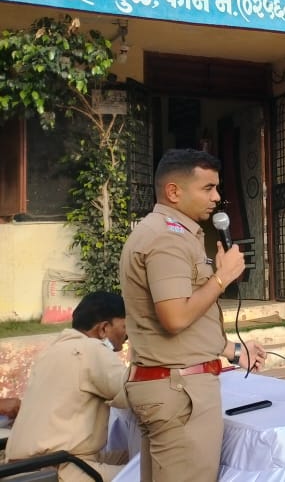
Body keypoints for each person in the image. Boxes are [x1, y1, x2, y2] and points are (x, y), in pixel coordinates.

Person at [119, 149, 266, 482]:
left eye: (217, 188)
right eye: (208, 188)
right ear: (174, 191)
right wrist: (222, 278)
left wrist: (232, 350)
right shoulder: (166, 238)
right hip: (179, 390)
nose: (216, 197)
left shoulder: (170, 232)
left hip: (172, 383)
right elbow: (175, 317)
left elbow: (189, 317)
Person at [5, 292, 131, 482]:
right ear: (104, 328)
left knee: (136, 458)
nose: (127, 336)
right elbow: (135, 392)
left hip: (26, 468)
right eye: (124, 327)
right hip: (62, 468)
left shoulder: (51, 352)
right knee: (154, 472)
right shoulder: (91, 350)